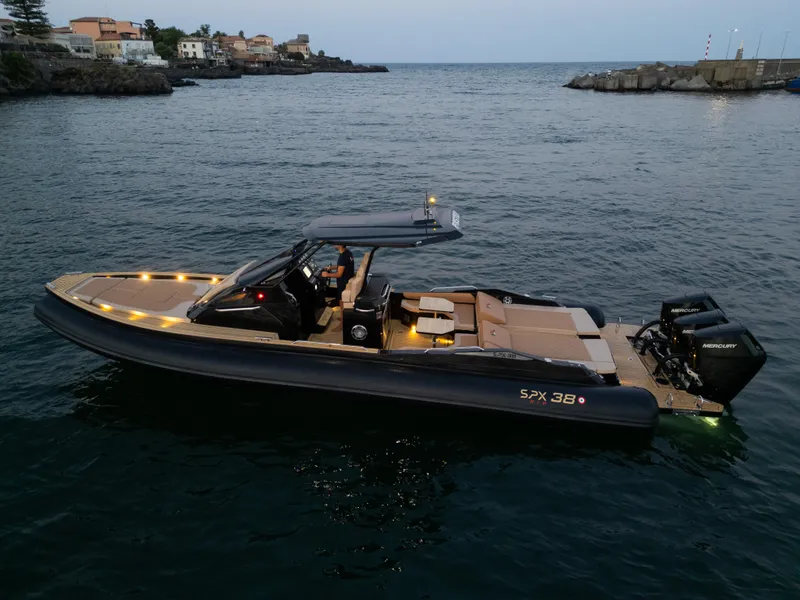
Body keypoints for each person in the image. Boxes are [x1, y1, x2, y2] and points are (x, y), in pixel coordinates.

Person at [320, 244, 355, 308]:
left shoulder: (342, 257)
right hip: (348, 278)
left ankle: (342, 317)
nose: (334, 244)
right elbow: (343, 266)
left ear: (340, 245)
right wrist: (331, 267)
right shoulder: (348, 252)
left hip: (344, 283)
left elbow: (339, 274)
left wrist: (327, 274)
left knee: (341, 300)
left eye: (335, 243)